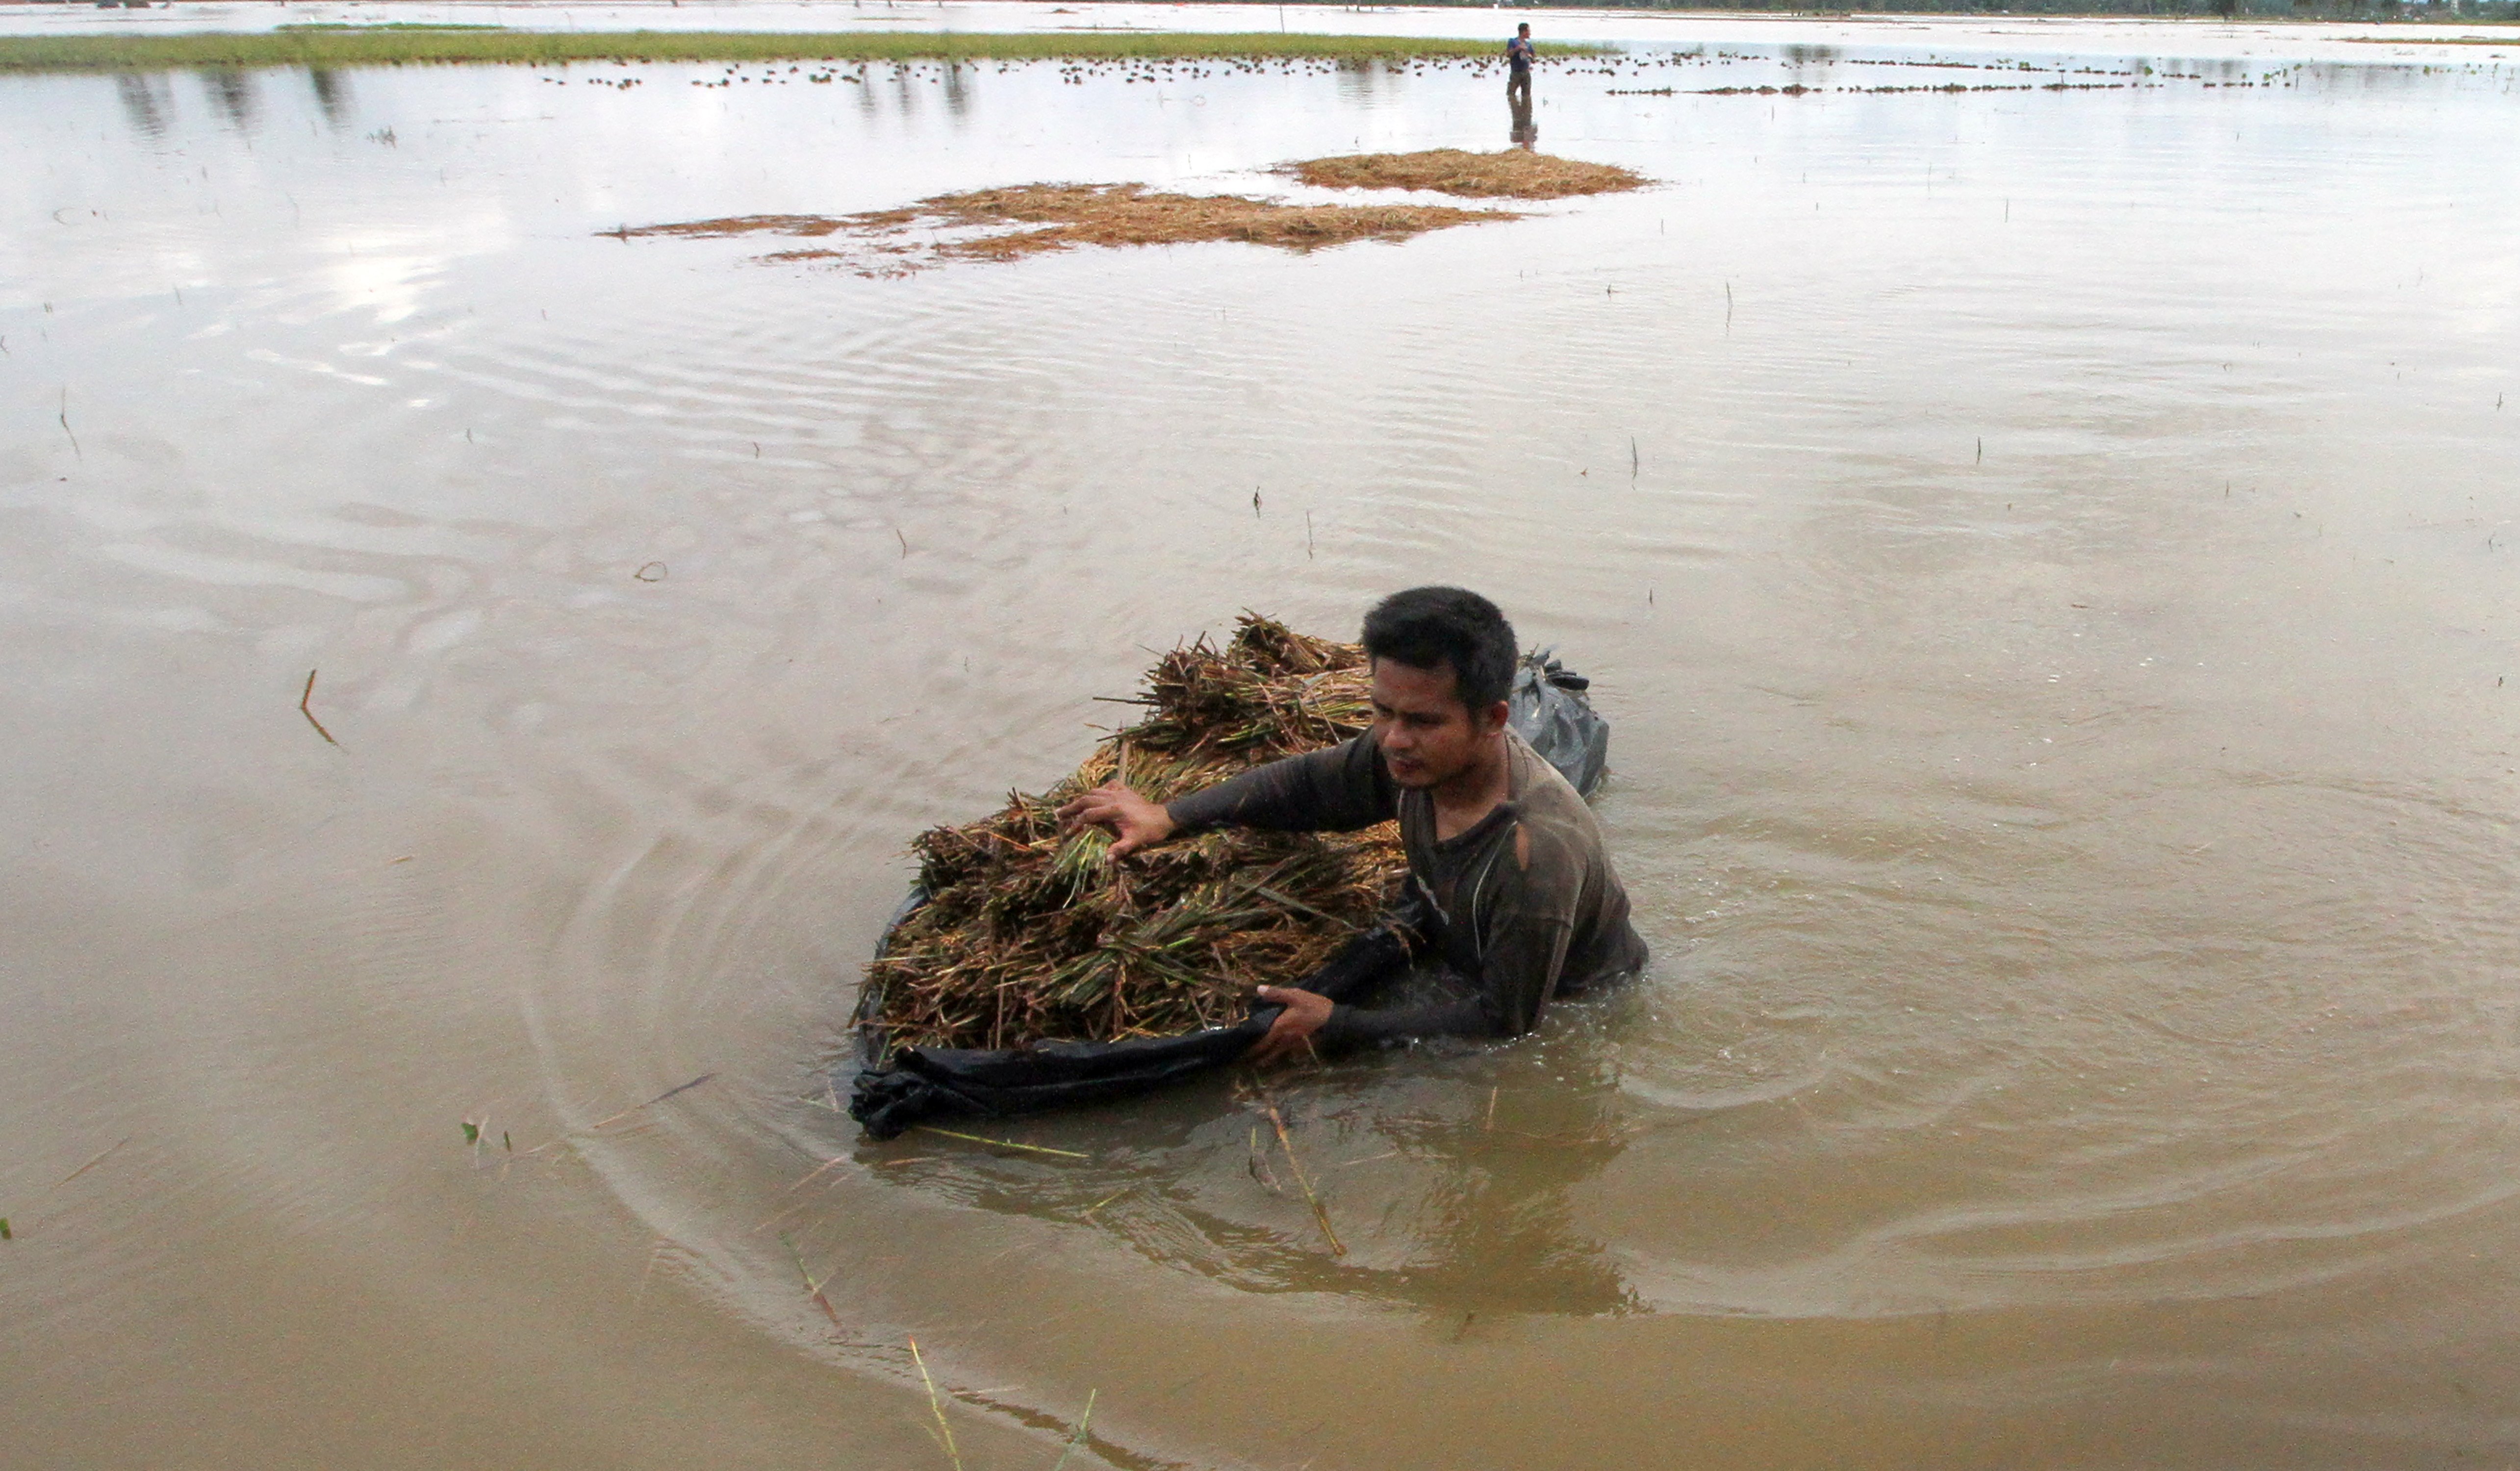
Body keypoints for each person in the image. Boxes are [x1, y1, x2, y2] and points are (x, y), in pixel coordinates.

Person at [1058, 587, 1647, 1067]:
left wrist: (1339, 1025)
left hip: (1581, 1001)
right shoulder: (1408, 757)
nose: (1393, 738)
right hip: (1474, 949)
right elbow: (1307, 787)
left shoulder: (1533, 853)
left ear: (1494, 719)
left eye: (1422, 720)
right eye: (1383, 711)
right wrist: (1169, 817)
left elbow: (1507, 1021)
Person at [1505, 22, 1535, 108]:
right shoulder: (1513, 42)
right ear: (1524, 32)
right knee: (1511, 94)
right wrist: (1518, 49)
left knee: (1527, 95)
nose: (1530, 33)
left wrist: (1530, 56)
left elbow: (1534, 59)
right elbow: (1509, 55)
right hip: (1516, 73)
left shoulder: (1529, 44)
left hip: (1526, 73)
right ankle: (1515, 112)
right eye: (1529, 31)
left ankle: (1526, 114)